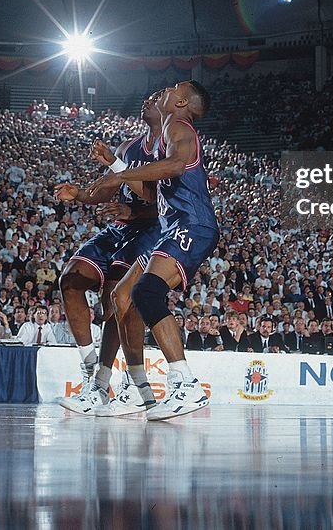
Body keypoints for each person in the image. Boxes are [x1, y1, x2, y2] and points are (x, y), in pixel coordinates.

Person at [81, 81, 218, 421]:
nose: (166, 90)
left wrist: (120, 173)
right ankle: (138, 391)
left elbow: (175, 166)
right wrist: (117, 172)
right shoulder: (162, 137)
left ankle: (185, 384)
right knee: (123, 295)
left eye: (173, 88)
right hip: (173, 227)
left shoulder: (179, 126)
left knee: (148, 291)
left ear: (182, 100)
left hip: (193, 224)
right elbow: (149, 195)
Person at [52, 96, 163, 414]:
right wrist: (81, 194)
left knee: (118, 297)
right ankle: (93, 375)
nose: (147, 101)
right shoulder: (129, 147)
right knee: (71, 279)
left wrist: (134, 210)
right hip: (120, 227)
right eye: (146, 98)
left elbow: (169, 200)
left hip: (152, 230)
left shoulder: (173, 149)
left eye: (155, 98)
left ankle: (125, 384)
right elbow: (108, 185)